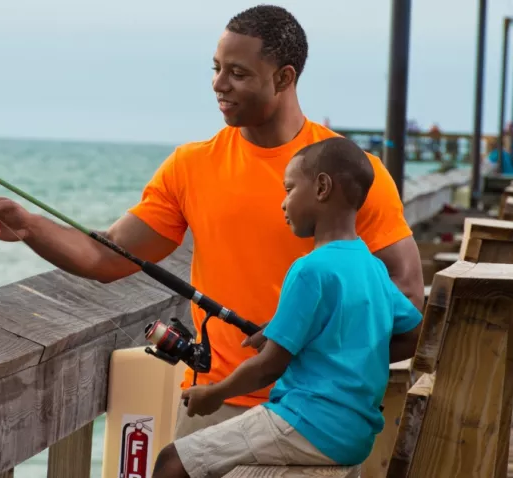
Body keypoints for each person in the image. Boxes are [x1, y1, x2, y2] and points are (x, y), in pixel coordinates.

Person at [0, 4, 424, 438]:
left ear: (283, 78)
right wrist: (29, 227)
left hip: (317, 419)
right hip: (212, 406)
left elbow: (406, 304)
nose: (219, 84)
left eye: (237, 73)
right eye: (216, 69)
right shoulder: (191, 166)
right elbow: (108, 255)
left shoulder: (353, 174)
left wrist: (318, 367)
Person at [151, 137, 423, 478]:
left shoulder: (310, 268)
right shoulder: (372, 267)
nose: (283, 203)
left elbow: (268, 367)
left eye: (290, 189)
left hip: (309, 422)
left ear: (322, 187)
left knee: (171, 462)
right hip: (354, 433)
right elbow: (413, 333)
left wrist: (214, 394)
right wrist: (338, 355)